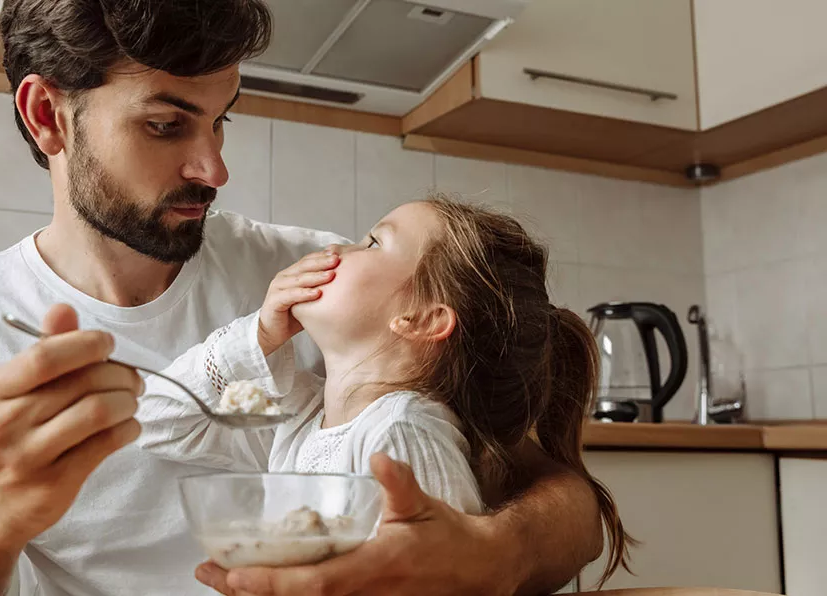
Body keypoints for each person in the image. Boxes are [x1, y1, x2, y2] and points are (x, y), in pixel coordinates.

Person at [0, 1, 605, 595]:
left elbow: (563, 500)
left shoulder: (321, 285)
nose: (214, 168)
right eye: (165, 124)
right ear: (48, 116)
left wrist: (490, 556)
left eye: (221, 121)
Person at [134, 197, 630, 577]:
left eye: (372, 243)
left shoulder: (405, 432)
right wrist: (258, 335)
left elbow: (436, 581)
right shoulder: (300, 415)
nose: (332, 251)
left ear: (420, 319)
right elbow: (159, 421)